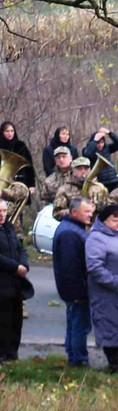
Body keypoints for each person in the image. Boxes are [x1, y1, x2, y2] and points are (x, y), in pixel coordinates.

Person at [84, 200, 118, 372]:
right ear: (103, 221)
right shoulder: (96, 238)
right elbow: (94, 267)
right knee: (110, 327)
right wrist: (114, 282)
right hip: (108, 292)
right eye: (114, 221)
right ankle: (114, 365)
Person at [52, 194, 93, 366]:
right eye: (87, 212)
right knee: (79, 325)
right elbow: (70, 266)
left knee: (75, 322)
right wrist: (80, 290)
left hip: (74, 288)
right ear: (75, 212)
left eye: (91, 211)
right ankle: (78, 359)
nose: (90, 215)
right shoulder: (70, 232)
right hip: (76, 289)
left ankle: (73, 354)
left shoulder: (73, 228)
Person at [0, 187, 29, 360]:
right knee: (2, 321)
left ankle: (12, 354)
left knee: (15, 321)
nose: (2, 214)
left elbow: (20, 248)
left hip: (15, 283)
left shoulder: (9, 227)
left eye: (4, 210)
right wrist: (15, 267)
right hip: (2, 282)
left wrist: (24, 264)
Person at [0, 122, 35, 191]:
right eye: (7, 131)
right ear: (2, 132)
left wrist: (31, 184)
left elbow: (29, 165)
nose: (10, 134)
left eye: (12, 131)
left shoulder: (21, 145)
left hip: (20, 182)